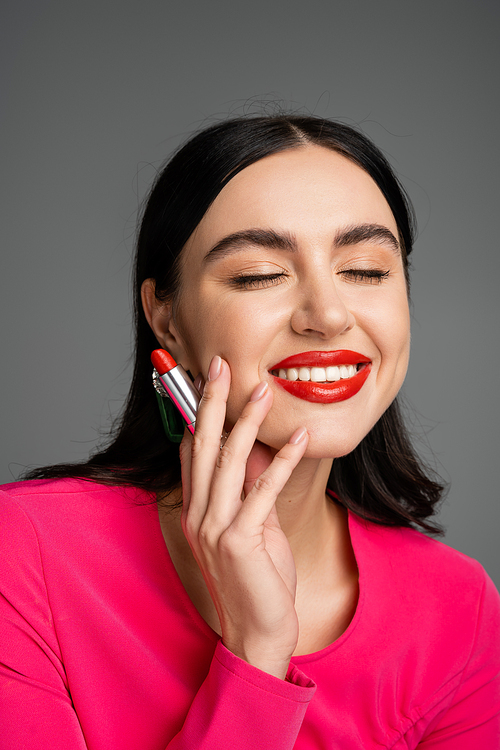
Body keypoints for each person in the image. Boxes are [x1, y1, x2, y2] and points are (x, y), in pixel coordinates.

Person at [1, 114, 499, 749]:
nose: (327, 314)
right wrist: (258, 653)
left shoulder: (459, 608)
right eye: (260, 273)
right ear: (166, 318)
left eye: (368, 269)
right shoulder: (19, 555)